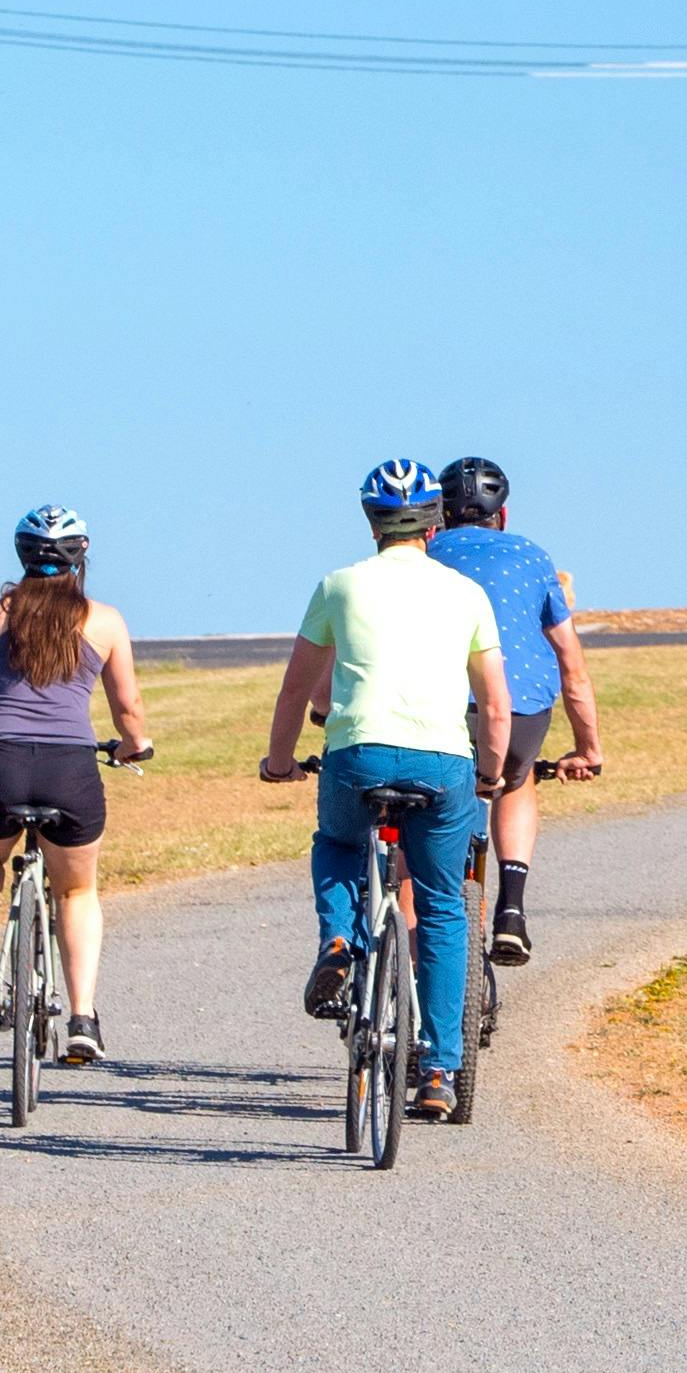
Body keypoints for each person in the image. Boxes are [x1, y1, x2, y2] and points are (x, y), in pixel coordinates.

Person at [259, 453, 509, 1121]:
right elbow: (495, 703)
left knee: (339, 842)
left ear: (372, 523)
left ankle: (341, 939)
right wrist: (488, 771)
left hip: (359, 753)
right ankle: (438, 1070)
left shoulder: (338, 585)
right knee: (443, 906)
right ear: (434, 525)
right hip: (443, 764)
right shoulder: (466, 594)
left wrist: (279, 760)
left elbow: (294, 689)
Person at [0, 502, 158, 1067]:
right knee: (76, 891)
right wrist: (134, 746)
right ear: (81, 556)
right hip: (69, 770)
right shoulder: (103, 620)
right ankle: (81, 1018)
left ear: (22, 555)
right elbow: (127, 707)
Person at [423, 454, 602, 965]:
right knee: (515, 781)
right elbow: (572, 663)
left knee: (434, 805)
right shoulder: (532, 556)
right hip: (523, 711)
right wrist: (588, 748)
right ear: (501, 515)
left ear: (439, 516)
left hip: (445, 709)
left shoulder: (426, 556)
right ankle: (512, 910)